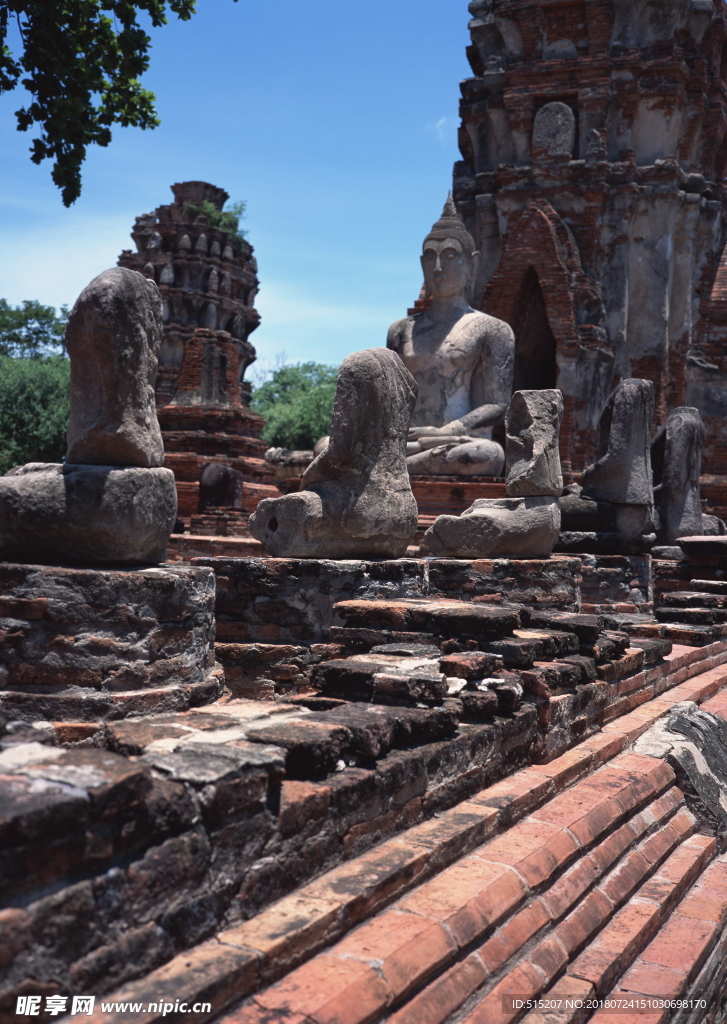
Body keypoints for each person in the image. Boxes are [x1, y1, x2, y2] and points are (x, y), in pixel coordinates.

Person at [387, 196, 514, 476]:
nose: (439, 267)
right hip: (407, 443)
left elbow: (498, 405)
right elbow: (392, 402)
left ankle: (391, 471)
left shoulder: (492, 329)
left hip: (454, 440)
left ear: (473, 264)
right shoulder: (401, 329)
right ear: (422, 264)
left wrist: (447, 430)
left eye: (450, 256)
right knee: (326, 446)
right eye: (431, 256)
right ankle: (399, 465)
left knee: (487, 454)